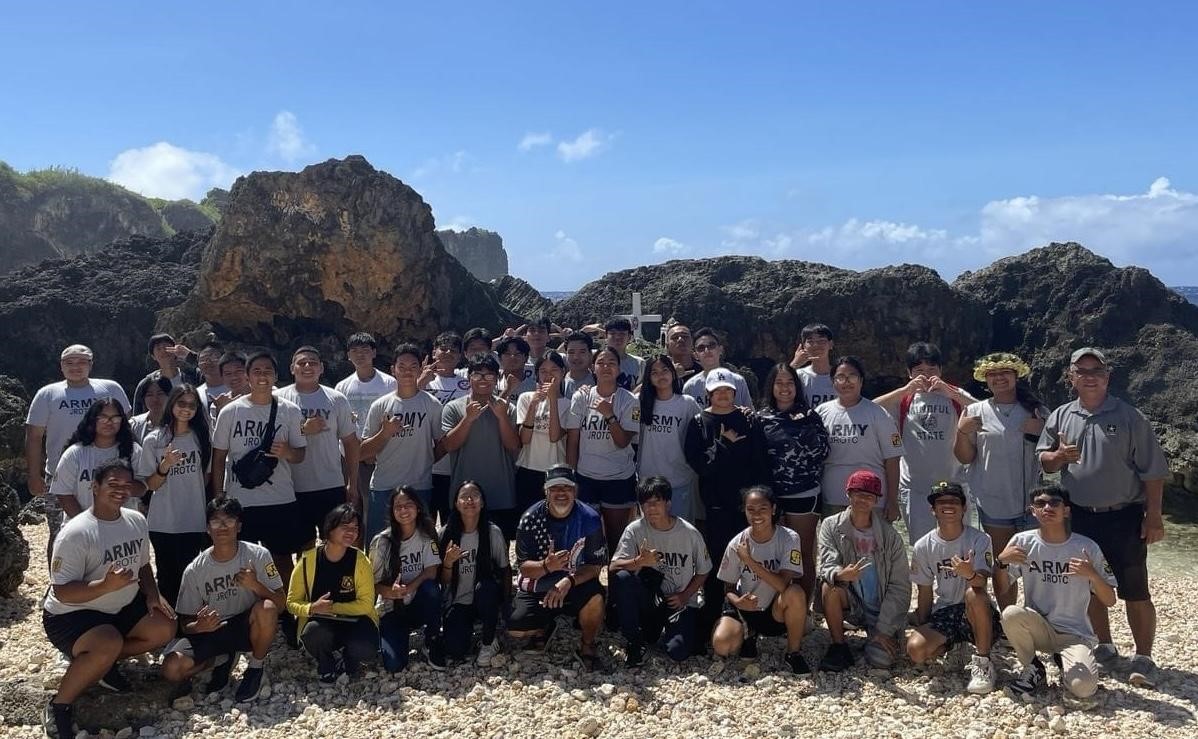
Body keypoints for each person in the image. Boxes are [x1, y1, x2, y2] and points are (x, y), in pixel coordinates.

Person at [1036, 347, 1169, 687]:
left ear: (1108, 376)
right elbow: (1045, 462)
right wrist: (1059, 456)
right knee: (1089, 586)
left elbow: (1153, 471)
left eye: (1096, 370)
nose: (1090, 377)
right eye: (1082, 371)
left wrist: (1154, 516)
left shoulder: (1130, 417)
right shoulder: (1061, 416)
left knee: (1135, 589)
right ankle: (1105, 647)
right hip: (1079, 517)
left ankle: (1143, 657)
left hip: (1124, 516)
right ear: (1071, 377)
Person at [41, 460, 175, 739]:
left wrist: (153, 595)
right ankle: (59, 705)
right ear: (95, 487)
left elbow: (143, 564)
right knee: (108, 641)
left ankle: (102, 662)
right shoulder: (76, 533)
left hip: (121, 604)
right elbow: (62, 591)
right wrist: (104, 586)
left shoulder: (136, 520)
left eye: (126, 485)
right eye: (113, 484)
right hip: (73, 613)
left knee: (164, 626)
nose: (121, 490)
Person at [998, 485, 1117, 699]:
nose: (1047, 508)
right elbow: (1002, 588)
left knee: (1083, 689)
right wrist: (1001, 562)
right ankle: (1033, 668)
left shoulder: (1086, 547)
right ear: (1032, 511)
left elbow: (1110, 600)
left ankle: (1063, 659)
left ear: (1066, 510)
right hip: (1038, 627)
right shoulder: (1022, 542)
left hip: (1074, 634)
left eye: (1054, 503)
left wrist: (1092, 575)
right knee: (1010, 614)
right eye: (1040, 504)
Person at [161, 498, 285, 702]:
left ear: (239, 526)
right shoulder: (194, 570)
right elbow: (185, 623)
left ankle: (255, 668)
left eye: (229, 520)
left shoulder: (258, 555)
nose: (223, 526)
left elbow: (280, 603)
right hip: (213, 630)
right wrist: (199, 626)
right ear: (208, 529)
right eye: (216, 521)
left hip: (246, 626)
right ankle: (220, 660)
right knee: (171, 669)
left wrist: (256, 585)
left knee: (267, 608)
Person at [954, 352, 1047, 608]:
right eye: (992, 374)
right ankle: (1008, 616)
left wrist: (1040, 430)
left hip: (1033, 502)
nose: (999, 378)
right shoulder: (974, 411)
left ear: (1016, 376)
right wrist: (961, 432)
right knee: (1002, 562)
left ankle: (1040, 615)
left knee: (1037, 561)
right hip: (993, 501)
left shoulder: (1037, 410)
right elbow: (965, 457)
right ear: (985, 380)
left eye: (1005, 372)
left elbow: (1053, 456)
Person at [211, 351, 308, 590]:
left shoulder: (290, 410)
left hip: (280, 498)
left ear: (276, 375)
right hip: (241, 500)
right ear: (247, 376)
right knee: (243, 560)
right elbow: (218, 457)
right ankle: (250, 607)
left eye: (267, 371)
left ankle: (285, 605)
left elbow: (300, 455)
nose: (262, 376)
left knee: (282, 558)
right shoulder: (230, 411)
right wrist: (218, 495)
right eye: (256, 371)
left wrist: (287, 452)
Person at [25, 344, 130, 561]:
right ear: (61, 366)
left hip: (110, 476)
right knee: (61, 533)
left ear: (91, 364)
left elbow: (127, 428)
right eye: (69, 362)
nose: (75, 366)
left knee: (114, 529)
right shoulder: (47, 394)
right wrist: (34, 475)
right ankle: (59, 578)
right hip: (60, 476)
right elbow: (34, 436)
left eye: (81, 361)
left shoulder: (110, 389)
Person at [684, 368, 769, 635]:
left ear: (735, 392)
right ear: (708, 393)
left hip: (748, 506)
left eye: (727, 390)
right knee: (718, 558)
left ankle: (753, 615)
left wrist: (765, 500)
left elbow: (760, 461)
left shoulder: (749, 420)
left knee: (751, 557)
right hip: (715, 504)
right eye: (717, 390)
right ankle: (715, 610)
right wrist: (722, 443)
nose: (722, 395)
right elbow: (700, 465)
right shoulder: (699, 422)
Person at [874, 342, 975, 544]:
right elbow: (869, 409)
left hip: (954, 485)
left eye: (931, 370)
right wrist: (904, 390)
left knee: (960, 543)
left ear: (941, 370)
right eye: (919, 371)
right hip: (915, 488)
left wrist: (952, 392)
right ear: (909, 373)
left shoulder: (954, 395)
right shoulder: (904, 399)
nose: (926, 376)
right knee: (921, 545)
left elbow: (985, 412)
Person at [905, 482, 1000, 695]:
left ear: (964, 508)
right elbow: (925, 591)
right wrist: (924, 626)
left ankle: (983, 662)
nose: (948, 505)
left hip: (976, 610)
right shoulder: (923, 546)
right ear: (932, 509)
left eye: (954, 501)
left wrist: (969, 574)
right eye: (941, 502)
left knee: (973, 594)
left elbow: (982, 582)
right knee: (916, 650)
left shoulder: (980, 539)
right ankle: (955, 646)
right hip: (946, 611)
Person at [509, 465, 607, 669]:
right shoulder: (529, 519)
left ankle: (587, 644)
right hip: (540, 581)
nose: (561, 492)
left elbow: (595, 566)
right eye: (554, 488)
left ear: (575, 490)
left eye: (567, 487)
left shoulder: (590, 518)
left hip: (575, 580)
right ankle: (544, 625)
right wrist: (546, 566)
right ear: (546, 491)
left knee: (596, 599)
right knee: (516, 629)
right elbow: (524, 568)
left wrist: (568, 581)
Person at [817, 470, 912, 671]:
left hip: (881, 607)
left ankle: (875, 634)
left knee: (881, 661)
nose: (863, 499)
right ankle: (839, 646)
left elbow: (900, 587)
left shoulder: (890, 536)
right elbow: (826, 565)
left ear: (876, 500)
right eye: (858, 494)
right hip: (852, 602)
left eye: (869, 496)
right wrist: (840, 574)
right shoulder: (830, 525)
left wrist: (883, 630)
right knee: (829, 587)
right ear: (848, 494)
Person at [609, 476, 710, 666]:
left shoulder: (689, 533)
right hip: (650, 598)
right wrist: (638, 562)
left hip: (677, 600)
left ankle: (675, 631)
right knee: (623, 578)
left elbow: (704, 570)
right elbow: (613, 567)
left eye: (657, 502)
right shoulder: (635, 529)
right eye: (646, 503)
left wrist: (685, 595)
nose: (651, 508)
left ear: (668, 503)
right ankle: (634, 641)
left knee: (678, 652)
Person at [711, 485, 810, 673]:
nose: (757, 514)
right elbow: (728, 588)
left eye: (762, 508)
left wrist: (749, 560)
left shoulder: (789, 538)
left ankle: (793, 653)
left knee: (795, 592)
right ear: (744, 511)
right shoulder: (736, 543)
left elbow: (782, 585)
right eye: (751, 509)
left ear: (773, 509)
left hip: (774, 610)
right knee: (722, 646)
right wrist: (738, 602)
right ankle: (747, 635)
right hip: (746, 609)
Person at [755, 362, 829, 599]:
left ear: (797, 387)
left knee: (801, 553)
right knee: (775, 554)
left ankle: (803, 606)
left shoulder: (810, 417)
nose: (784, 388)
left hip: (803, 494)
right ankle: (777, 607)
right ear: (771, 386)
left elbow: (823, 452)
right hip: (772, 497)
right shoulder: (760, 418)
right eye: (779, 382)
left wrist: (802, 428)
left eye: (790, 382)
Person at [137, 384, 212, 606]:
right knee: (167, 575)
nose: (186, 409)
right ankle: (169, 621)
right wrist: (165, 466)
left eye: (192, 405)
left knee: (191, 573)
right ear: (172, 404)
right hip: (164, 521)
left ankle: (189, 619)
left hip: (193, 519)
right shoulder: (154, 440)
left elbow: (205, 477)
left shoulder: (201, 438)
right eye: (181, 403)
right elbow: (150, 484)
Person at [278, 346, 361, 546]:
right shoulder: (279, 400)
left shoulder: (337, 399)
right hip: (292, 487)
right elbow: (274, 440)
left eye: (313, 363)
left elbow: (350, 442)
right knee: (303, 546)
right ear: (292, 368)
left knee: (336, 542)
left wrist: (352, 482)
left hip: (330, 484)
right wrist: (303, 430)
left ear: (321, 368)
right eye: (301, 363)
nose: (307, 366)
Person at [288, 505, 379, 682]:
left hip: (357, 620)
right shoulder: (307, 561)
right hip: (322, 623)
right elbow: (291, 603)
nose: (351, 532)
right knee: (313, 633)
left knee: (366, 649)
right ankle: (326, 662)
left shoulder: (361, 560)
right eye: (345, 526)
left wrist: (330, 607)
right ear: (330, 528)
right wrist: (312, 608)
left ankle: (348, 659)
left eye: (355, 528)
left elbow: (366, 604)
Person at [565, 346, 640, 556]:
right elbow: (573, 440)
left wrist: (609, 415)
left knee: (617, 538)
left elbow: (623, 442)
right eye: (601, 363)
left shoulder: (630, 401)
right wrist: (571, 477)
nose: (606, 367)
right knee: (587, 539)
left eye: (611, 363)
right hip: (586, 478)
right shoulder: (581, 397)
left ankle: (616, 576)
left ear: (619, 368)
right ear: (593, 368)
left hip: (619, 478)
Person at [441, 353, 522, 538]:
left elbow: (513, 446)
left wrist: (502, 417)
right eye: (477, 374)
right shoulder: (453, 408)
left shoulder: (508, 408)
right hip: (464, 497)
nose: (483, 380)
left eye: (489, 375)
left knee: (499, 548)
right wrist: (468, 419)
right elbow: (449, 445)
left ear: (497, 378)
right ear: (469, 378)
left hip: (501, 494)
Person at [816, 356, 904, 521]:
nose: (846, 382)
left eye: (852, 376)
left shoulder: (879, 414)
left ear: (861, 381)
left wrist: (893, 501)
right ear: (833, 382)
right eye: (841, 377)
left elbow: (893, 459)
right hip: (833, 498)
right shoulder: (821, 413)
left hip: (871, 498)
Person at [369, 487, 445, 671]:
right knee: (394, 665)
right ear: (392, 511)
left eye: (408, 505)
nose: (403, 510)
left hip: (417, 603)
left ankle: (432, 639)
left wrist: (409, 587)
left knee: (432, 589)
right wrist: (391, 592)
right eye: (398, 506)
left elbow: (431, 572)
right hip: (392, 608)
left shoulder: (426, 535)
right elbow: (372, 584)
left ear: (418, 507)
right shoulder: (381, 542)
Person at [439, 481, 510, 666]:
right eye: (464, 496)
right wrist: (448, 563)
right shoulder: (446, 533)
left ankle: (488, 640)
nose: (470, 500)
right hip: (458, 600)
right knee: (455, 650)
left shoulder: (493, 532)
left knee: (486, 588)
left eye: (475, 495)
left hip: (484, 596)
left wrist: (506, 605)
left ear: (483, 502)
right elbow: (443, 581)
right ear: (456, 503)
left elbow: (505, 569)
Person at [51, 398, 145, 520]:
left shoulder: (134, 451)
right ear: (93, 420)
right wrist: (87, 523)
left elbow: (143, 487)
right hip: (82, 526)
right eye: (103, 418)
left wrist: (118, 485)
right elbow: (63, 493)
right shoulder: (74, 453)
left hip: (123, 525)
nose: (109, 422)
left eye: (115, 418)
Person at [635, 355, 701, 521]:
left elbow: (700, 434)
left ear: (673, 373)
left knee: (680, 528)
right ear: (648, 377)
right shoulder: (639, 403)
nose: (661, 375)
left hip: (679, 478)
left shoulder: (687, 403)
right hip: (648, 480)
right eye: (654, 372)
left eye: (665, 370)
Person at [335, 332, 398, 500]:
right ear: (348, 355)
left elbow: (394, 417)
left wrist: (373, 449)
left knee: (378, 502)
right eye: (354, 351)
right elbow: (341, 422)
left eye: (365, 350)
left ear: (374, 352)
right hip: (349, 455)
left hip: (380, 454)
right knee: (352, 502)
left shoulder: (389, 383)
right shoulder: (342, 387)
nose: (360, 354)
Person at [418, 331, 471, 525]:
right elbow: (405, 402)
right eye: (443, 348)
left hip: (457, 466)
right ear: (434, 352)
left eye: (453, 350)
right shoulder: (421, 380)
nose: (448, 353)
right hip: (425, 466)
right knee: (425, 523)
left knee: (454, 522)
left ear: (460, 355)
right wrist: (421, 381)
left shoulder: (467, 383)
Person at [515, 352, 570, 512]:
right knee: (527, 517)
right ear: (537, 374)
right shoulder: (526, 398)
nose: (548, 375)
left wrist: (552, 400)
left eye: (554, 370)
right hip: (527, 468)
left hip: (556, 471)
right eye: (543, 371)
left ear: (563, 372)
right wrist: (533, 406)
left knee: (554, 516)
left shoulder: (569, 404)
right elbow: (524, 439)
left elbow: (554, 436)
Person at [681, 328, 752, 407]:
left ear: (720, 350)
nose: (707, 351)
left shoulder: (738, 381)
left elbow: (750, 411)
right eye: (701, 348)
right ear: (695, 355)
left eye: (711, 346)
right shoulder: (690, 387)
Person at [132, 333, 200, 414]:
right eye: (158, 349)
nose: (163, 351)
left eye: (167, 347)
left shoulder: (193, 377)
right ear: (153, 356)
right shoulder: (146, 384)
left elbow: (208, 367)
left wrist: (189, 355)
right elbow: (137, 414)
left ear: (175, 350)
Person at [789, 323, 837, 409]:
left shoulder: (840, 375)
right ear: (803, 346)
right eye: (810, 341)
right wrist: (794, 364)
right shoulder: (799, 375)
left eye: (821, 341)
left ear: (830, 344)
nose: (816, 345)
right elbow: (777, 387)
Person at [603, 317, 644, 391]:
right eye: (612, 333)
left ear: (629, 337)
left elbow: (642, 389)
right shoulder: (596, 361)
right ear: (605, 336)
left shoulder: (639, 363)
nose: (617, 337)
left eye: (622, 333)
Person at [210, 352, 251, 426]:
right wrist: (222, 411)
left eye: (238, 371)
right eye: (228, 374)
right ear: (222, 378)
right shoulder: (218, 404)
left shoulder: (268, 397)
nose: (234, 377)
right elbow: (216, 432)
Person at [130, 376, 172, 442]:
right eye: (149, 395)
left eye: (160, 394)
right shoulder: (134, 425)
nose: (155, 399)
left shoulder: (179, 423)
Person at [195, 341, 228, 422]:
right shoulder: (196, 393)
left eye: (213, 357)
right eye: (203, 359)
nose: (208, 362)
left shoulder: (236, 388)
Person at [561, 331, 597, 398]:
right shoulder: (559, 383)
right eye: (571, 352)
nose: (576, 357)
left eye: (582, 352)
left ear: (590, 354)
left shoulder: (598, 381)